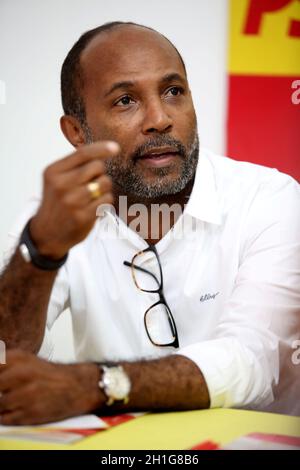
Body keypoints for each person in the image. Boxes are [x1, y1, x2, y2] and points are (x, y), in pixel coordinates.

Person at [0, 21, 299, 425]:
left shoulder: (270, 199)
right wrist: (40, 253)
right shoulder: (57, 209)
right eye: (125, 100)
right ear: (77, 132)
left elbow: (251, 360)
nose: (159, 119)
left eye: (173, 91)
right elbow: (7, 358)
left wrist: (95, 385)